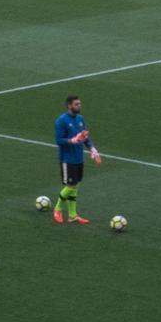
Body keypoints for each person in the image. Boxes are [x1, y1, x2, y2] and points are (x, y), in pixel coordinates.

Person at [52, 95, 102, 225]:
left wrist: (92, 149)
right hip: (67, 159)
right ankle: (57, 209)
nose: (79, 106)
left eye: (79, 104)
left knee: (75, 186)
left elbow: (85, 136)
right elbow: (59, 140)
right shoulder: (61, 121)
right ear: (69, 105)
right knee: (71, 186)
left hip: (79, 158)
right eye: (76, 104)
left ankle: (72, 215)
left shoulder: (80, 118)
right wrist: (72, 140)